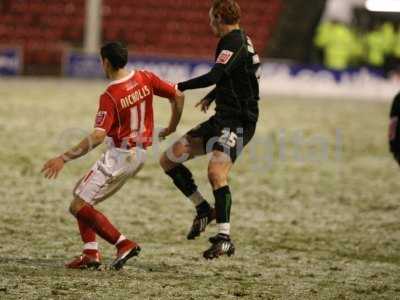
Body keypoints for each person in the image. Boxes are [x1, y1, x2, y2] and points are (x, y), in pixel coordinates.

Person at [42, 42, 184, 269]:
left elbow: (98, 136)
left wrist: (63, 158)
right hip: (138, 154)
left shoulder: (110, 95)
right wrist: (172, 127)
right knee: (81, 193)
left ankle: (123, 243)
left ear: (105, 61)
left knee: (77, 206)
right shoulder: (145, 77)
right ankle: (90, 254)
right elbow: (178, 96)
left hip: (120, 155)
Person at [160, 0, 260, 259]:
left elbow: (217, 74)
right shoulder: (236, 41)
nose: (209, 24)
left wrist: (178, 86)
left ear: (218, 17)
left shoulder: (234, 41)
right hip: (223, 116)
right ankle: (203, 208)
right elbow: (235, 75)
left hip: (239, 120)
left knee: (216, 172)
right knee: (170, 158)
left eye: (210, 19)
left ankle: (225, 237)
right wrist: (213, 96)